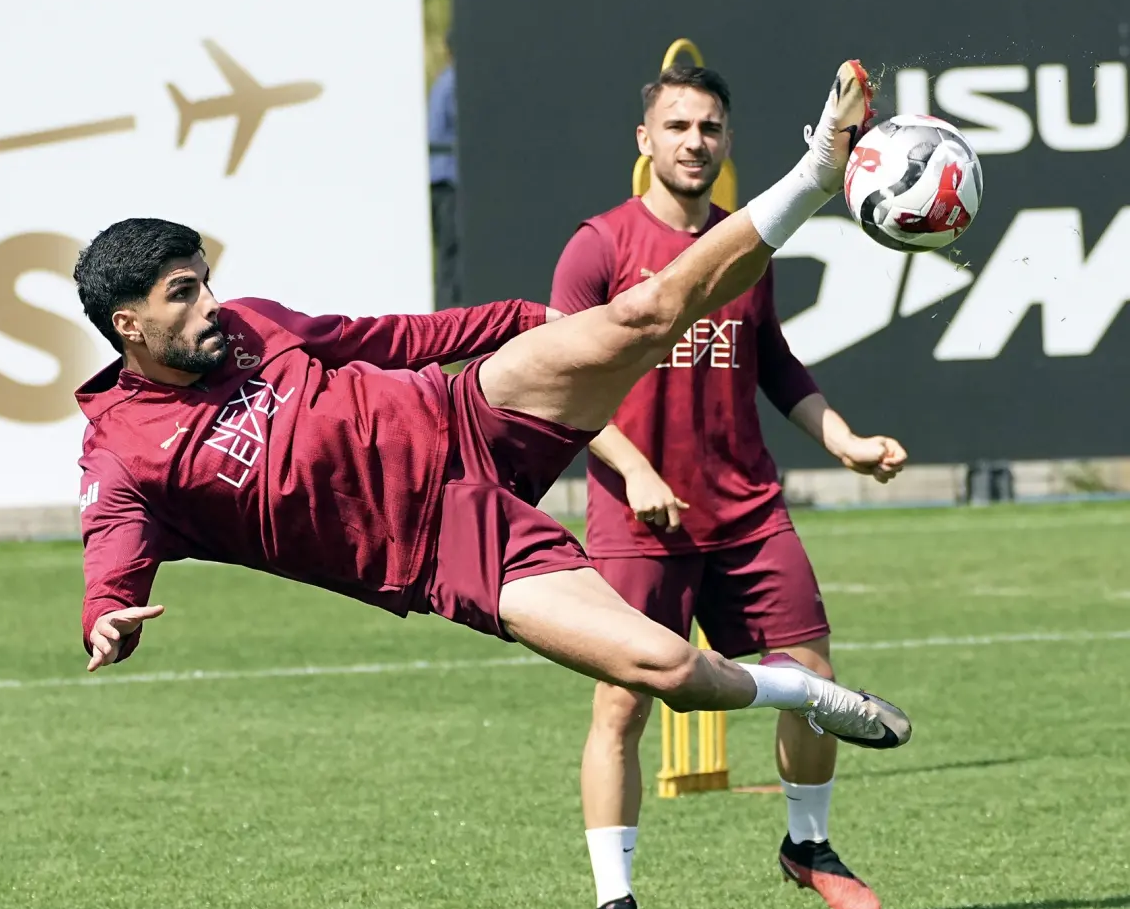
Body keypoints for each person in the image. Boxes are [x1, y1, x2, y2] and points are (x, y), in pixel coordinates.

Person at [73, 61, 910, 780]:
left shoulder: (252, 321)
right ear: (129, 326)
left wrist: (522, 319)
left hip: (469, 414)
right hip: (445, 546)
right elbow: (110, 550)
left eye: (205, 279)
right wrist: (105, 610)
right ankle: (802, 690)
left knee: (640, 314)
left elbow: (394, 339)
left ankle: (816, 173)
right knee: (664, 665)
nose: (213, 303)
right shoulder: (122, 454)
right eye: (184, 293)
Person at [551, 63, 908, 909]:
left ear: (727, 141)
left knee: (817, 682)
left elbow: (776, 363)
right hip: (640, 520)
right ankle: (616, 904)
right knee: (622, 705)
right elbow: (561, 384)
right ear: (645, 142)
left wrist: (845, 440)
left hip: (748, 510)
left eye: (709, 127)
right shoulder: (598, 246)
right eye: (677, 126)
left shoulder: (748, 243)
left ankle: (810, 845)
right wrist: (633, 471)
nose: (694, 142)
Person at [427, 38, 460, 308]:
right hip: (448, 180)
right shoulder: (454, 83)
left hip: (439, 179)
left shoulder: (443, 81)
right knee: (451, 254)